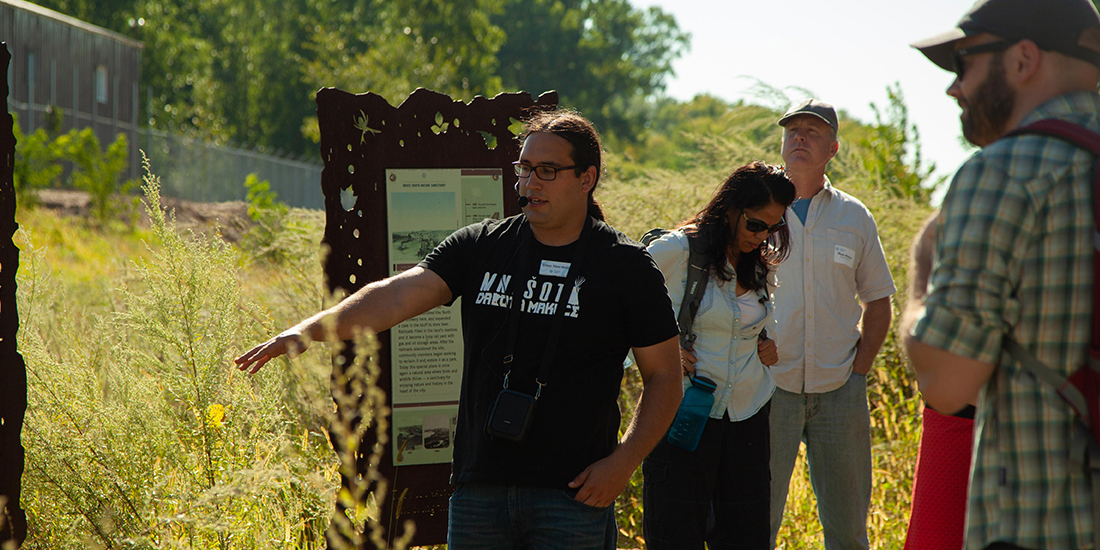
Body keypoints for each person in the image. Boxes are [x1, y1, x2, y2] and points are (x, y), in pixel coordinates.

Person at [234, 110, 683, 550]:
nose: (530, 182)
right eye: (523, 168)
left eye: (547, 170)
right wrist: (306, 331)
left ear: (587, 178)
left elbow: (665, 377)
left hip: (573, 496)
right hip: (479, 492)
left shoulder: (625, 266)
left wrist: (624, 463)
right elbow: (394, 295)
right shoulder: (482, 245)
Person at [904, 0, 1100, 548]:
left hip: (1041, 526)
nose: (955, 87)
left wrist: (922, 272)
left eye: (964, 61)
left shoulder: (1002, 172)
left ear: (1023, 59)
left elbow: (947, 384)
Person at [641, 161, 794, 549]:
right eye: (756, 224)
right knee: (676, 535)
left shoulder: (760, 263)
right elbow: (619, 311)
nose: (763, 237)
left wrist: (767, 342)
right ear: (730, 208)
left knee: (747, 538)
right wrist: (662, 352)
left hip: (748, 414)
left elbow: (757, 321)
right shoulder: (677, 249)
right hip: (682, 413)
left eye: (773, 228)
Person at [767, 99, 897, 550]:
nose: (800, 137)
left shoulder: (854, 216)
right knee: (753, 524)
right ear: (782, 142)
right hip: (769, 389)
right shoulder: (757, 208)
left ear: (833, 148)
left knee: (847, 533)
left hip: (841, 390)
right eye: (793, 130)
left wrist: (858, 371)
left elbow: (878, 302)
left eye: (813, 132)